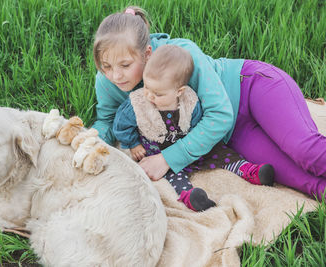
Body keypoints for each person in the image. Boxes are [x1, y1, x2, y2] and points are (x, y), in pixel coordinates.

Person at [92, 6, 326, 200]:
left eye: (124, 65)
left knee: (305, 152)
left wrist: (167, 158)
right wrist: (89, 143)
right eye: (106, 66)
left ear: (148, 53)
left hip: (251, 87)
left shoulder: (182, 54)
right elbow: (106, 120)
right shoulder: (107, 82)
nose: (116, 76)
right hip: (232, 133)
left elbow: (220, 114)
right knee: (302, 180)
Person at [112, 44, 274, 211]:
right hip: (159, 152)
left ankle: (246, 169)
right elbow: (121, 126)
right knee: (173, 175)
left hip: (188, 145)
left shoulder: (190, 103)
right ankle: (190, 196)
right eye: (146, 87)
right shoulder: (137, 104)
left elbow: (198, 125)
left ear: (179, 91)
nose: (149, 95)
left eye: (158, 94)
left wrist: (194, 145)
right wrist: (133, 144)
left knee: (220, 152)